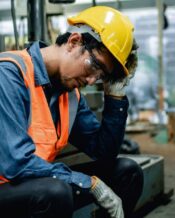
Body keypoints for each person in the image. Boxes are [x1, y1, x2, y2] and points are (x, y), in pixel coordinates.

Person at [0, 5, 143, 218]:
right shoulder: (9, 74)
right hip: (9, 181)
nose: (91, 80)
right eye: (95, 66)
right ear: (74, 42)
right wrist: (90, 183)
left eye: (102, 76)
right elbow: (16, 164)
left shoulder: (70, 94)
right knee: (55, 192)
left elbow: (103, 153)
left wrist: (115, 98)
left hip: (30, 183)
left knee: (127, 172)